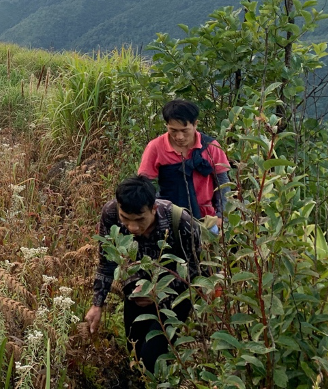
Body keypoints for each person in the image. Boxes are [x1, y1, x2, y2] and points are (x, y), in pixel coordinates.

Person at [85, 176, 201, 373]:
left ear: (153, 208)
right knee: (135, 352)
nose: (132, 227)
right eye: (126, 219)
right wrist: (98, 304)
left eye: (140, 220)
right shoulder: (111, 214)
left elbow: (197, 273)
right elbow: (107, 262)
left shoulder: (181, 222)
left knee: (152, 357)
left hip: (174, 297)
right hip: (136, 293)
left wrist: (159, 290)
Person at [139, 99, 231, 232]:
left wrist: (222, 217)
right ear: (167, 126)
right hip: (169, 216)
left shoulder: (211, 147)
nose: (179, 136)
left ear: (195, 124)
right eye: (173, 130)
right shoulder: (155, 147)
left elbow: (223, 183)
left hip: (206, 217)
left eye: (184, 130)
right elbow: (145, 184)